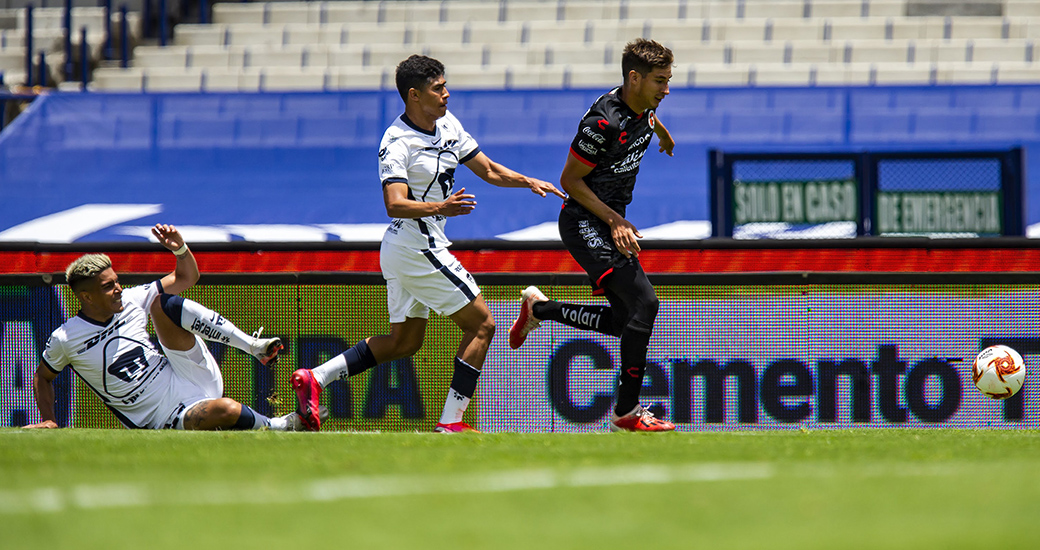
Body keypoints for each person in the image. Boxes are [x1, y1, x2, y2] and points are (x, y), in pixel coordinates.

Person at [291, 54, 565, 433]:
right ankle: (451, 421)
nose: (446, 94)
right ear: (414, 96)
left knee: (404, 343)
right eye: (438, 89)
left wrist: (528, 181)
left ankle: (315, 377)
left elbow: (487, 169)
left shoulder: (447, 124)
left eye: (445, 85)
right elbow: (394, 204)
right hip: (417, 248)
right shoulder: (396, 141)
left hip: (406, 248)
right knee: (483, 325)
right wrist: (443, 207)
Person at [508, 38, 677, 432]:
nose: (666, 89)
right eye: (659, 81)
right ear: (634, 78)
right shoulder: (602, 122)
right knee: (645, 305)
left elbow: (649, 118)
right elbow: (570, 180)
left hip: (608, 219)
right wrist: (615, 222)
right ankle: (627, 411)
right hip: (584, 219)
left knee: (625, 321)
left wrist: (664, 136)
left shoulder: (645, 106)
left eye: (669, 80)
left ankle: (541, 311)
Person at [24, 224, 309, 431]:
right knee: (226, 408)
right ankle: (279, 426)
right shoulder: (65, 338)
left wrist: (180, 250)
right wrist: (49, 418)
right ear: (86, 297)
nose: (119, 289)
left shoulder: (134, 299)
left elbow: (187, 277)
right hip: (167, 415)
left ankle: (253, 346)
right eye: (108, 286)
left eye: (117, 281)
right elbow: (43, 377)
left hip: (191, 373)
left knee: (161, 303)